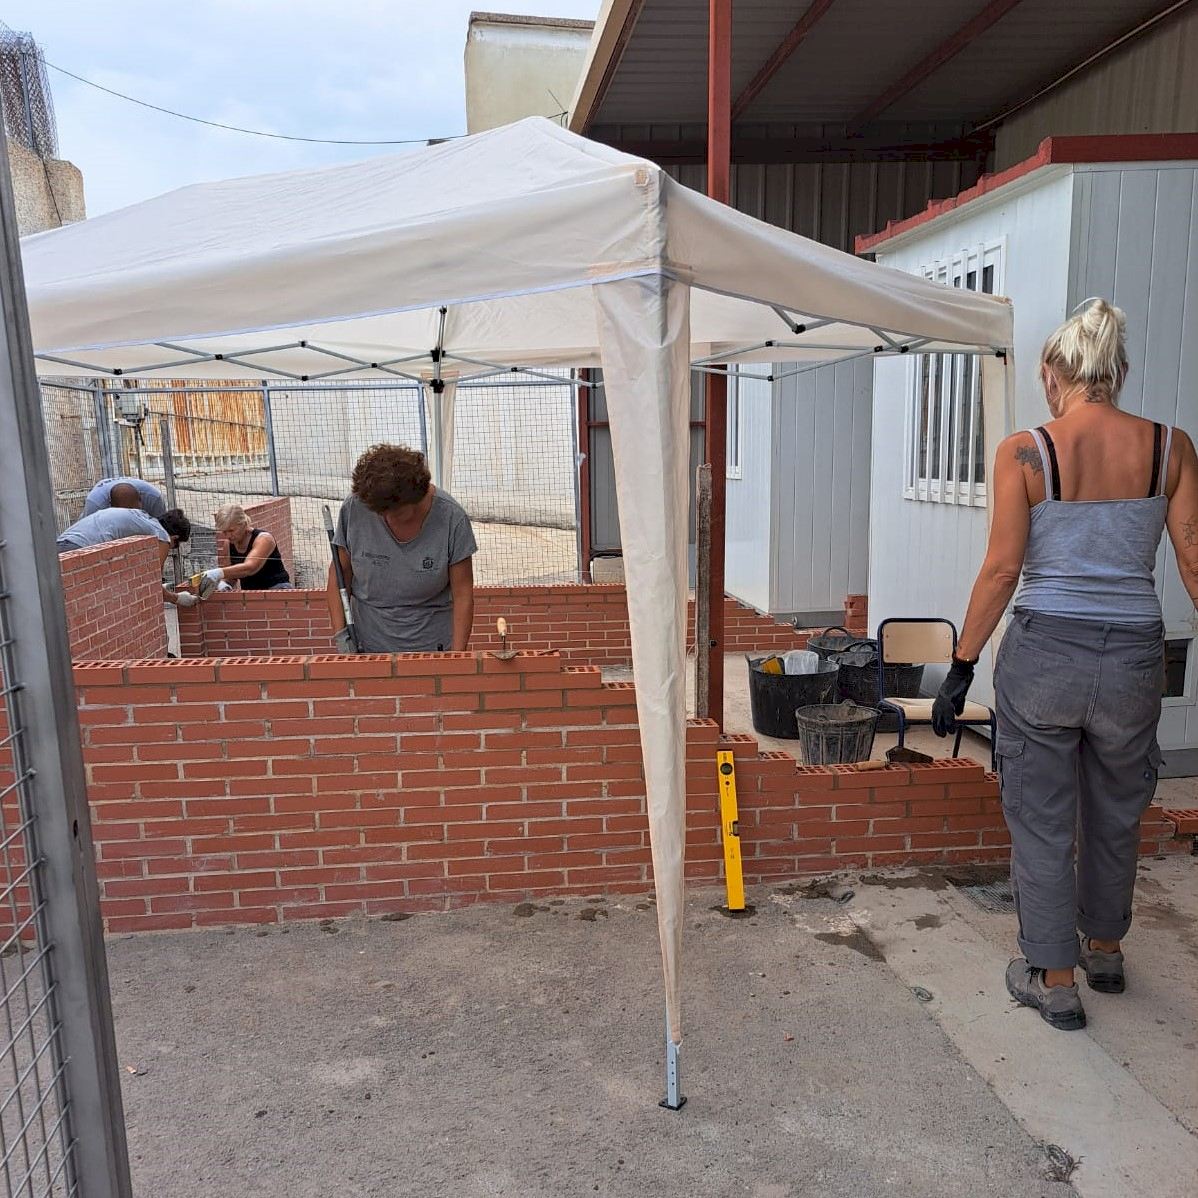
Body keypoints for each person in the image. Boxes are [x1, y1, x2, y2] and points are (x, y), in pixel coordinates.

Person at [932, 298, 1198, 1031]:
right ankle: (1105, 950)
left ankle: (1054, 979)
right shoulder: (1171, 448)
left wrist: (961, 667)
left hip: (1045, 656)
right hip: (1133, 659)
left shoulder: (1025, 452)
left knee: (1043, 819)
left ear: (1054, 374)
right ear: (1120, 373)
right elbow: (1193, 562)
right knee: (1117, 811)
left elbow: (1001, 570)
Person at [328, 443, 476, 653]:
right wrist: (342, 637)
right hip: (367, 647)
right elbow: (338, 576)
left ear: (418, 498)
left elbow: (463, 594)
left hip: (432, 648)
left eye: (396, 513)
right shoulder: (354, 509)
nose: (387, 518)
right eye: (379, 513)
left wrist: (457, 656)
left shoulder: (452, 518)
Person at [57, 506, 197, 607]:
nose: (171, 548)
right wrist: (177, 598)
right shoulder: (163, 536)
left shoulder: (143, 518)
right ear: (175, 537)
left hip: (61, 546)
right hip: (80, 549)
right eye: (175, 545)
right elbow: (153, 583)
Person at [199, 504, 293, 593]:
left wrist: (217, 573)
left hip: (277, 589)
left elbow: (250, 568)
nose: (228, 535)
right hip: (250, 593)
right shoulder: (228, 544)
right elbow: (230, 575)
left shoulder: (264, 539)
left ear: (243, 524)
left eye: (231, 530)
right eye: (224, 532)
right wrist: (223, 584)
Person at [82, 475, 167, 519]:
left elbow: (162, 532)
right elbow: (88, 535)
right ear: (111, 505)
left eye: (135, 513)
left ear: (141, 501)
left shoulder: (154, 498)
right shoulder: (95, 505)